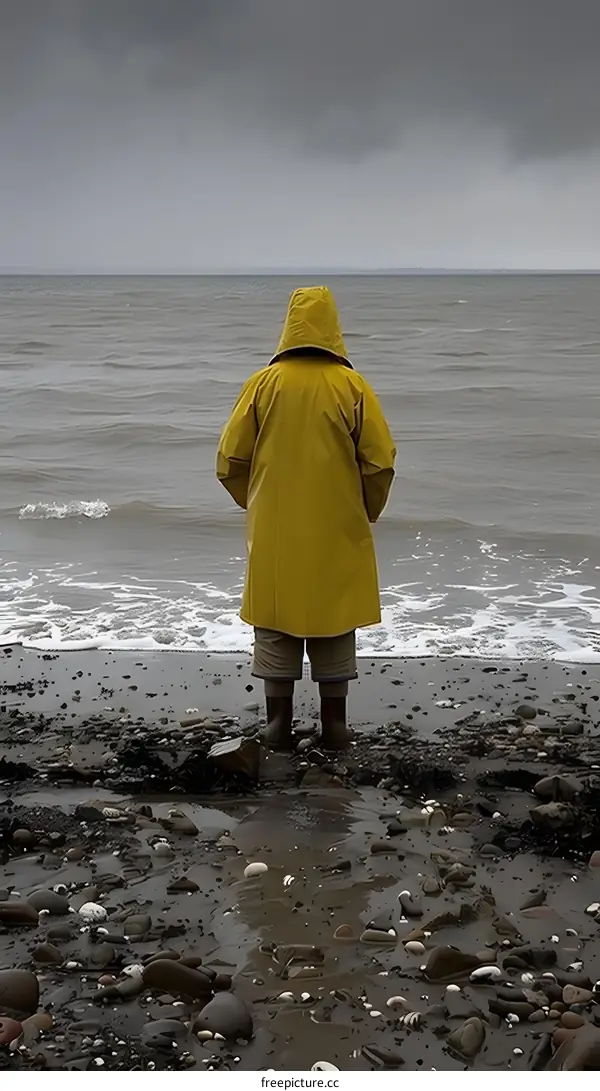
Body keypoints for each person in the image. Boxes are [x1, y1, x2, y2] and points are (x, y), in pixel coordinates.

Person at [216, 285, 396, 751]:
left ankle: (277, 725)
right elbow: (379, 462)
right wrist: (366, 509)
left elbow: (230, 461)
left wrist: (254, 502)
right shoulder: (352, 387)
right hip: (337, 526)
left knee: (275, 619)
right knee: (334, 619)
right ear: (333, 327)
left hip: (275, 528)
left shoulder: (262, 385)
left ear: (289, 326)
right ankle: (335, 725)